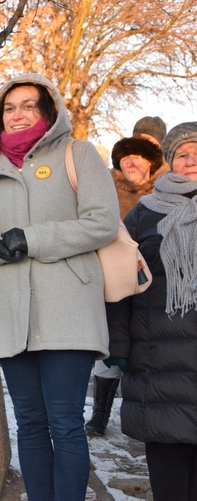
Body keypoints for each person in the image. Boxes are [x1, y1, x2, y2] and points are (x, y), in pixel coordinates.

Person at [0, 73, 120, 501]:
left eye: (28, 106)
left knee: (65, 422)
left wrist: (33, 239)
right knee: (29, 422)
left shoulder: (79, 153)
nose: (17, 116)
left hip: (67, 307)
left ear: (48, 112)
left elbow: (102, 222)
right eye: (9, 108)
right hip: (11, 310)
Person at [105, 122, 197, 501]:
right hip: (157, 354)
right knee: (167, 463)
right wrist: (119, 347)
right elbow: (118, 282)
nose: (191, 161)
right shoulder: (143, 214)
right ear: (169, 161)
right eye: (182, 154)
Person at [85, 135, 168, 437]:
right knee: (110, 349)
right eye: (126, 156)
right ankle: (99, 415)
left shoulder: (167, 192)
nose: (131, 162)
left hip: (153, 282)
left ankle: (151, 417)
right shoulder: (104, 187)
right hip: (112, 280)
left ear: (152, 162)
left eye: (139, 156)